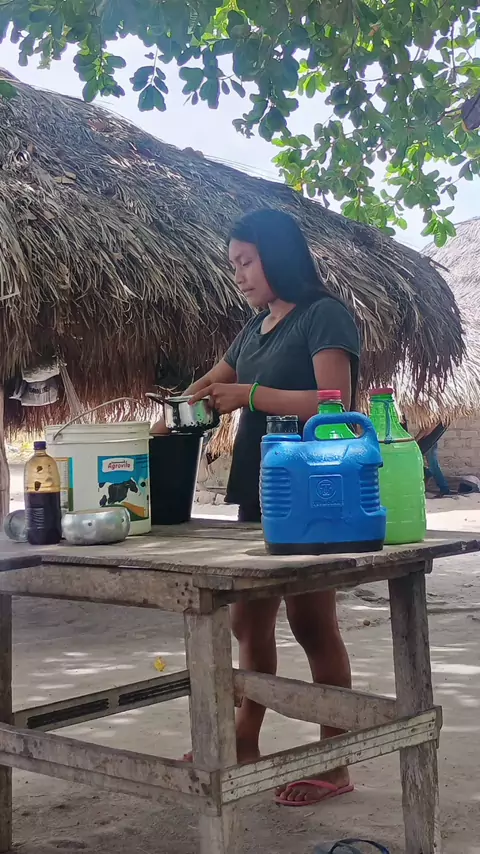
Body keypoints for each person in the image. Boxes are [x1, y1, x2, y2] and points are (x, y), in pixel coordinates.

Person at [152, 208, 360, 806]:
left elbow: (334, 402)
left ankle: (335, 759)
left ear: (279, 255)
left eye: (246, 262)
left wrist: (249, 394)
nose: (238, 275)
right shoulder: (254, 329)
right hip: (261, 487)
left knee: (312, 623)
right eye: (233, 265)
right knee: (248, 620)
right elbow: (204, 387)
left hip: (314, 488)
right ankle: (244, 740)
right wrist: (167, 417)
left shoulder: (324, 314)